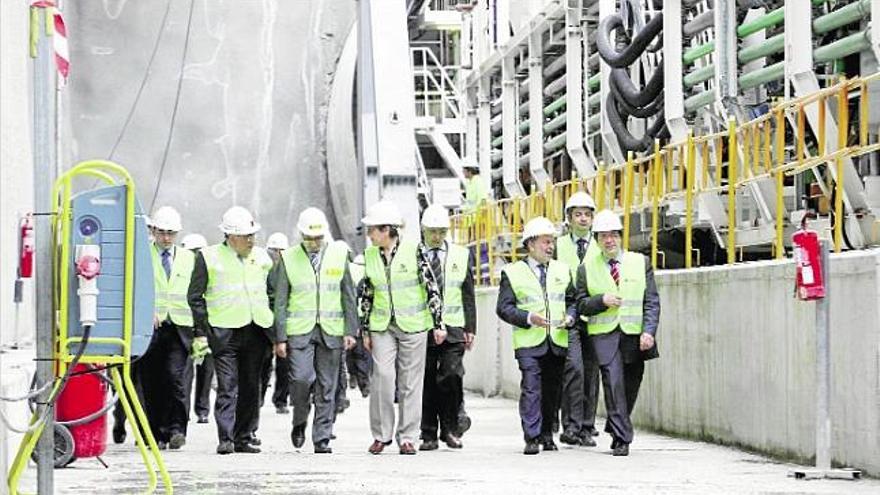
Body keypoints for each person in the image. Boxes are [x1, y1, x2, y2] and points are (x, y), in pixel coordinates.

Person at [359, 199, 445, 455]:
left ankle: (408, 437)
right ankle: (381, 435)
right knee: (383, 378)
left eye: (372, 229)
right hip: (382, 326)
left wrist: (438, 323)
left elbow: (431, 286)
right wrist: (365, 329)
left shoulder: (414, 250)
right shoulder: (369, 255)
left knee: (410, 383)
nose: (369, 234)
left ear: (387, 230)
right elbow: (367, 294)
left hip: (414, 326)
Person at [188, 206, 276, 455]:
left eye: (252, 235)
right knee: (228, 385)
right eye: (246, 236)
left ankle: (244, 436)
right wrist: (204, 328)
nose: (252, 240)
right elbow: (195, 296)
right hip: (224, 332)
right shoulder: (208, 257)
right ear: (231, 236)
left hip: (256, 330)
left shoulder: (262, 257)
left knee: (251, 385)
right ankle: (225, 437)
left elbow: (272, 292)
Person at [270, 207, 357, 453]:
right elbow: (281, 301)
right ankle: (299, 420)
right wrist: (280, 337)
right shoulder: (288, 258)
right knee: (300, 379)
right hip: (299, 333)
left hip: (331, 331)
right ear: (301, 235)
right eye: (309, 238)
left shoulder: (340, 255)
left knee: (327, 387)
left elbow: (348, 295)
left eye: (318, 238)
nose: (314, 243)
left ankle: (322, 438)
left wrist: (351, 330)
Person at [575, 210, 660, 456]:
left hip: (634, 336)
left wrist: (649, 331)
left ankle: (615, 424)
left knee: (631, 386)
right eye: (603, 236)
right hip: (604, 336)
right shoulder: (586, 269)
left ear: (620, 236)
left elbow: (651, 301)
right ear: (596, 240)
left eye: (613, 235)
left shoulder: (640, 262)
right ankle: (624, 438)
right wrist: (601, 300)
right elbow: (580, 304)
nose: (609, 240)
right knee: (613, 384)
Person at [496, 216, 576, 455]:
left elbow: (572, 301)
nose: (550, 246)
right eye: (545, 241)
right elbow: (504, 308)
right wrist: (529, 318)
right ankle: (531, 437)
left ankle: (547, 435)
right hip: (529, 341)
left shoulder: (563, 270)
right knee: (532, 388)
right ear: (530, 245)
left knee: (553, 391)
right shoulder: (512, 272)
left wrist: (571, 317)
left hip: (557, 340)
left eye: (552, 241)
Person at [418, 204, 476, 451]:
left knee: (451, 376)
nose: (436, 237)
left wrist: (470, 328)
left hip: (453, 326)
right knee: (427, 379)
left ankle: (451, 429)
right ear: (423, 230)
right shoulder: (414, 255)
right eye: (432, 231)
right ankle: (428, 433)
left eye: (441, 232)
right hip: (423, 326)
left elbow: (468, 292)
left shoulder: (461, 255)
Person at [140, 206, 196, 450]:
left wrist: (200, 332)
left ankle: (177, 429)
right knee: (152, 382)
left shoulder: (188, 259)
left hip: (179, 328)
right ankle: (155, 432)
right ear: (153, 230)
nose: (166, 238)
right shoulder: (142, 256)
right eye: (162, 232)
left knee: (176, 379)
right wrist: (145, 312)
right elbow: (136, 289)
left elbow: (196, 294)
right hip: (151, 329)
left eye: (171, 233)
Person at [555, 192, 600, 447]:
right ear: (569, 219)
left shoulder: (601, 244)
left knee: (591, 373)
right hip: (567, 316)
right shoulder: (558, 246)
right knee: (574, 369)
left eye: (587, 214)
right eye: (577, 214)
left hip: (595, 316)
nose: (583, 219)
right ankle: (570, 426)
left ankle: (586, 427)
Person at [181, 233, 213, 425]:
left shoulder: (208, 270)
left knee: (206, 372)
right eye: (192, 251)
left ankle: (202, 410)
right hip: (184, 327)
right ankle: (183, 411)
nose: (195, 255)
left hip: (204, 328)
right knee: (184, 374)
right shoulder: (181, 271)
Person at [264, 232, 291, 415]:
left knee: (284, 365)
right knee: (263, 364)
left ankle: (281, 400)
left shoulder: (289, 269)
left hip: (283, 321)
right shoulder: (262, 268)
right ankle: (258, 397)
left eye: (281, 250)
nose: (278, 254)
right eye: (274, 250)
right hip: (264, 320)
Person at [345, 254, 371, 397]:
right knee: (361, 353)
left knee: (349, 351)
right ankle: (364, 385)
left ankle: (353, 376)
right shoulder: (367, 273)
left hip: (348, 317)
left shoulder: (348, 271)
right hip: (361, 317)